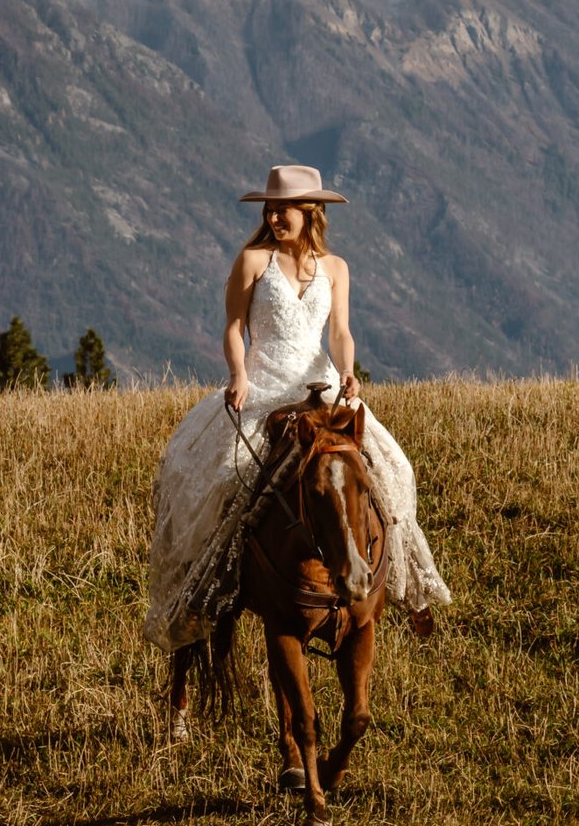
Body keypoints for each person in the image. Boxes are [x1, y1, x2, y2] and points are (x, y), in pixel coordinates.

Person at [144, 163, 450, 653]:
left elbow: (340, 332)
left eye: (282, 209)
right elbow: (233, 328)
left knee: (394, 468)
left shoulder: (336, 268)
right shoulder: (253, 260)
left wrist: (348, 371)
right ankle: (208, 590)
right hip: (265, 382)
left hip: (321, 384)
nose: (273, 217)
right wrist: (239, 375)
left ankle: (404, 583)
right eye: (269, 208)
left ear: (310, 212)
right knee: (227, 477)